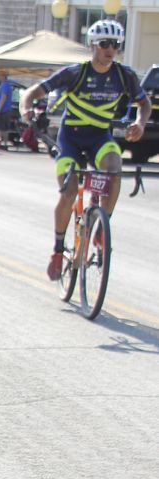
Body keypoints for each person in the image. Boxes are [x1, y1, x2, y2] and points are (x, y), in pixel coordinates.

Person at [19, 18, 150, 282]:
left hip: (100, 138)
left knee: (114, 169)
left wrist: (140, 122)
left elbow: (143, 103)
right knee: (69, 190)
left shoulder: (124, 75)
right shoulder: (75, 73)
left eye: (115, 45)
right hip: (71, 140)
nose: (110, 49)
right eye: (104, 44)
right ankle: (58, 250)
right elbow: (32, 92)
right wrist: (27, 110)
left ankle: (102, 226)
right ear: (92, 46)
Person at [0, 70, 15, 145]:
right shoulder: (3, 85)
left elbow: (3, 97)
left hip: (3, 110)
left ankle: (1, 144)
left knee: (1, 128)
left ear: (3, 76)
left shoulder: (5, 85)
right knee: (1, 128)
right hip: (2, 110)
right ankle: (1, 143)